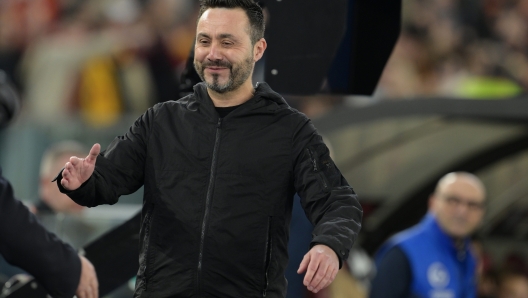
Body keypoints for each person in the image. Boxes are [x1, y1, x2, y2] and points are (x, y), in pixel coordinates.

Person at [55, 0, 363, 297]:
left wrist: (329, 245)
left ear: (258, 50)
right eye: (205, 41)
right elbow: (108, 181)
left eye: (227, 42)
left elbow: (338, 200)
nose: (213, 53)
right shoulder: (160, 121)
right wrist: (83, 183)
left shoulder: (291, 130)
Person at [0, 69, 98, 297]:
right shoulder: (25, 227)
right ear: (44, 183)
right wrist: (71, 268)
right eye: (66, 177)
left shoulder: (95, 232)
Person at [369, 172, 486, 298]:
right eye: (453, 200)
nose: (462, 211)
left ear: (482, 213)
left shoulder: (467, 255)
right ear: (433, 203)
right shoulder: (402, 252)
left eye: (472, 205)